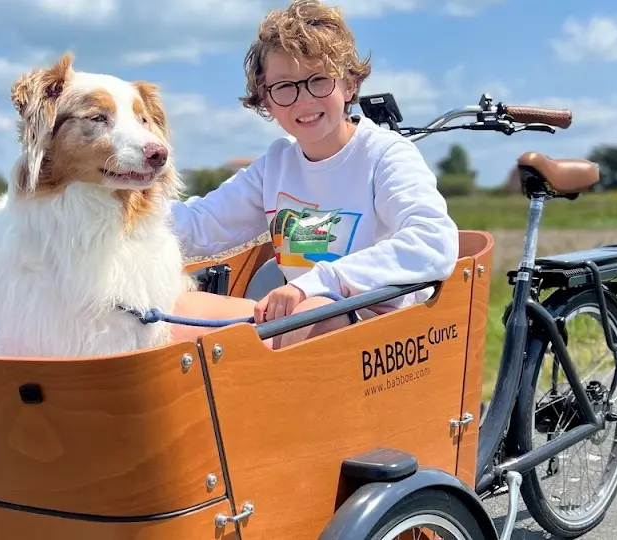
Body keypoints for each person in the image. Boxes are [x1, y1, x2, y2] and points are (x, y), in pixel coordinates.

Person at [169, 0, 460, 349]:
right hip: (295, 319)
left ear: (349, 85)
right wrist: (112, 212)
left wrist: (314, 283)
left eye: (319, 80)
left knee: (316, 311)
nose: (303, 101)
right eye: (284, 87)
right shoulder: (276, 164)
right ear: (266, 100)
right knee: (169, 308)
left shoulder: (385, 154)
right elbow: (200, 225)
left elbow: (433, 241)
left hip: (378, 329)